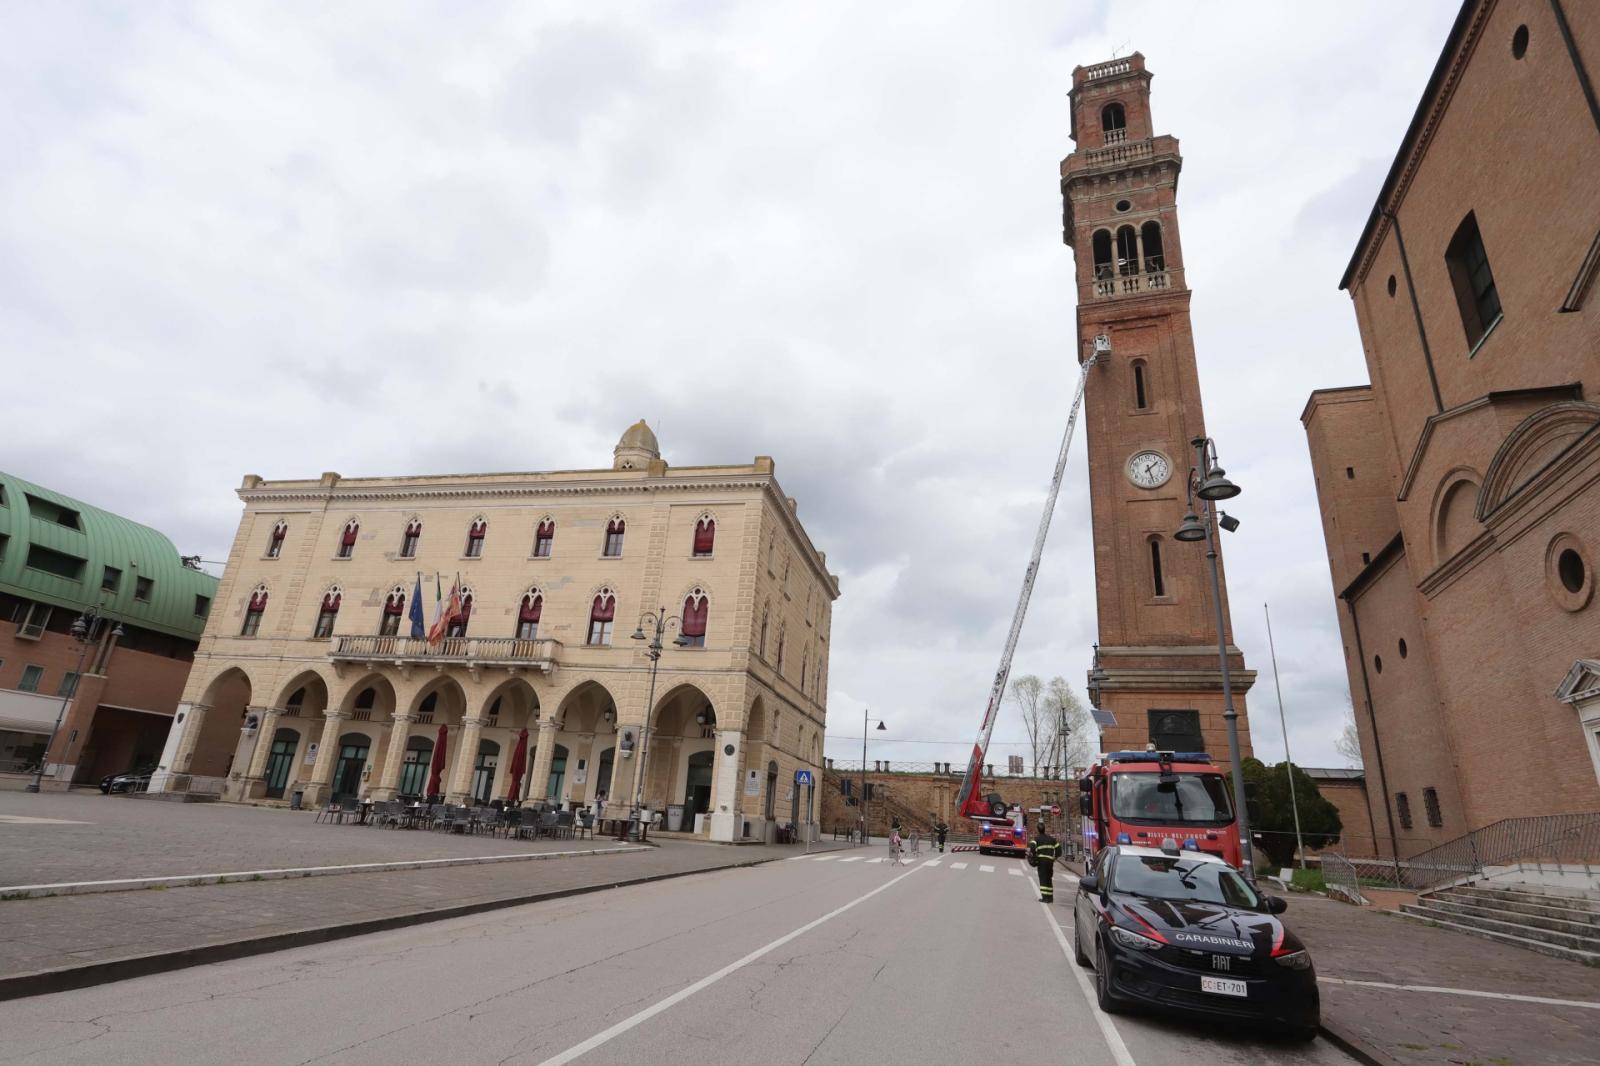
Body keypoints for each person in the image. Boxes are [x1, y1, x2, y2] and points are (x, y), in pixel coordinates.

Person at [1028, 820, 1062, 903]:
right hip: (1050, 862)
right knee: (1048, 879)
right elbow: (1059, 849)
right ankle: (1050, 898)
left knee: (1043, 879)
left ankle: (1044, 898)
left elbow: (1032, 847)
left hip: (1042, 862)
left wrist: (1033, 856)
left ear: (1038, 830)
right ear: (1044, 829)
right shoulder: (1051, 839)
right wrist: (1055, 857)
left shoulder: (1036, 839)